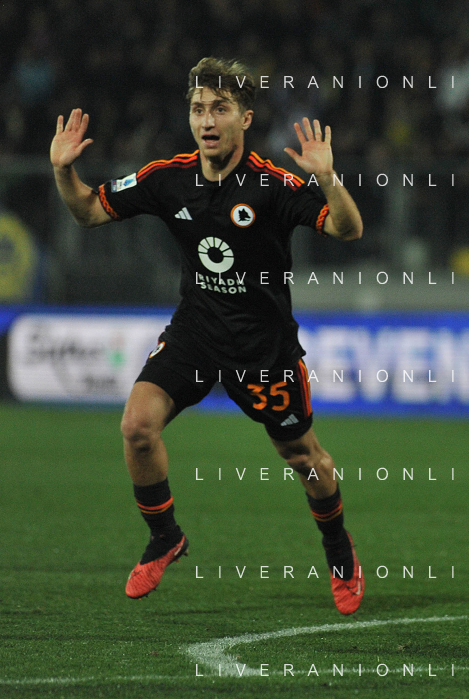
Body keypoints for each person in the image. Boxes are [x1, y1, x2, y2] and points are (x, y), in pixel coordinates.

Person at [48, 58, 367, 614]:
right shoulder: (166, 178)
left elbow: (347, 228)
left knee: (304, 457)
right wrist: (62, 170)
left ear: (245, 118)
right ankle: (165, 536)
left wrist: (326, 177)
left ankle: (340, 552)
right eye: (198, 109)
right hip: (195, 334)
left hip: (263, 348)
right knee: (136, 427)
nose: (207, 120)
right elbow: (88, 212)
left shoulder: (272, 185)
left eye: (220, 108)